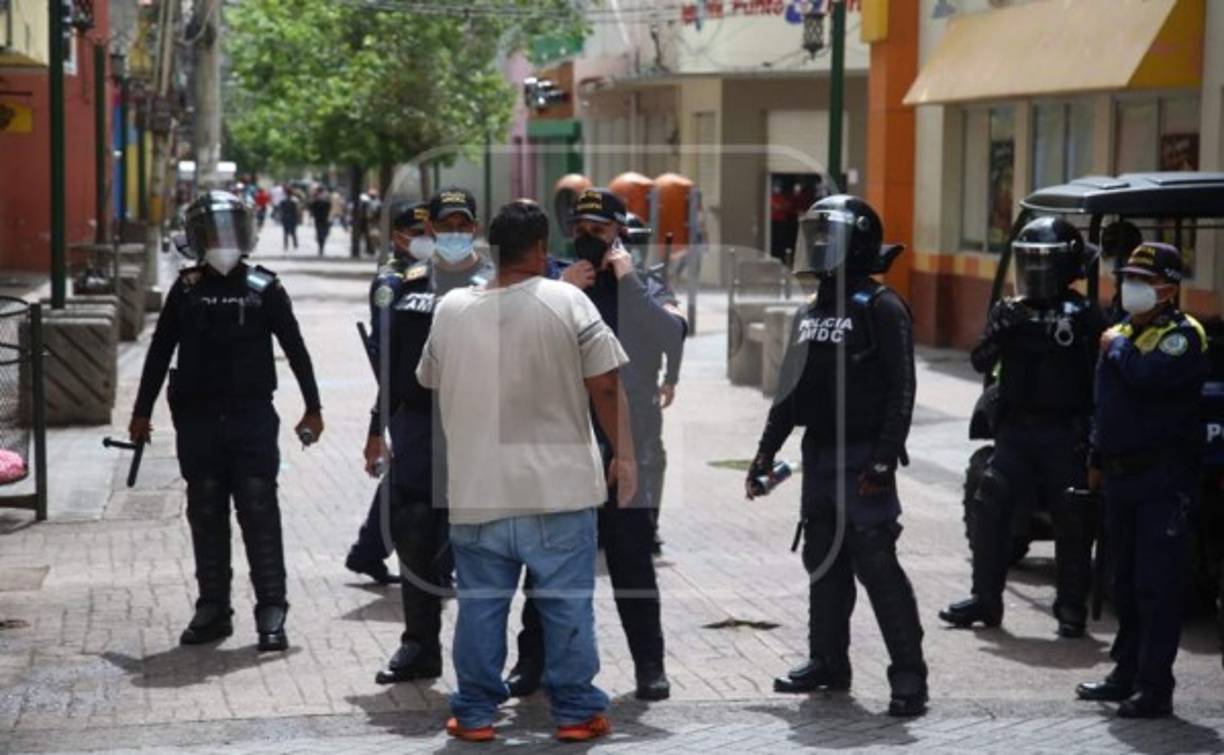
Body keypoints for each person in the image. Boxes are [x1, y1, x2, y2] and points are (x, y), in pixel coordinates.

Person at [418, 200, 633, 743]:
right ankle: (576, 713)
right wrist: (624, 454)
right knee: (565, 611)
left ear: (492, 248)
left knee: (480, 611)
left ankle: (474, 715)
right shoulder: (568, 301)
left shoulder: (449, 310)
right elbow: (605, 385)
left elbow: (430, 379)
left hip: (477, 493)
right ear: (540, 249)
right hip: (558, 493)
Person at [746, 194, 927, 717]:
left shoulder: (883, 307)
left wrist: (884, 459)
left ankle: (909, 675)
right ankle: (828, 661)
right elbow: (788, 392)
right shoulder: (812, 313)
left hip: (864, 456)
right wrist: (764, 452)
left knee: (876, 562)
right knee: (822, 561)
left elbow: (902, 391)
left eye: (831, 238)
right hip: (819, 456)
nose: (820, 247)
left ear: (859, 244)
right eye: (816, 237)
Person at [504, 190, 683, 703]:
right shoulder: (551, 279)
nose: (588, 236)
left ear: (619, 231)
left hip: (630, 440)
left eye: (599, 228)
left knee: (631, 559)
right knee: (547, 559)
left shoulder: (645, 281)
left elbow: (671, 337)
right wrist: (556, 289)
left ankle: (650, 665)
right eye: (581, 226)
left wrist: (627, 282)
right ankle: (530, 662)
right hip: (563, 437)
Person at [128, 191, 324, 651]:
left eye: (232, 230)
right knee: (205, 506)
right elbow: (159, 351)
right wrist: (141, 412)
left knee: (258, 506)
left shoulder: (264, 287)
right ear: (197, 238)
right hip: (197, 420)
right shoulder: (187, 288)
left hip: (251, 416)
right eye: (215, 233)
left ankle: (272, 608)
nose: (225, 241)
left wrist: (313, 407)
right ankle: (213, 606)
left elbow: (296, 350)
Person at [940, 217, 1104, 638]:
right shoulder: (1010, 309)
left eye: (1043, 263)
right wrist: (999, 333)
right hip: (1016, 429)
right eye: (1028, 263)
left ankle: (1070, 607)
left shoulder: (1084, 314)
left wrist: (1092, 434)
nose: (1034, 272)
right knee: (989, 501)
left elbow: (1100, 377)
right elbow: (979, 361)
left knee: (1070, 515)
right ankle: (985, 599)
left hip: (1063, 431)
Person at [364, 189, 496, 685]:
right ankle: (419, 646)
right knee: (414, 535)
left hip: (480, 429)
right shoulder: (407, 286)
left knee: (481, 547)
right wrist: (376, 430)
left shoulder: (496, 285)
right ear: (433, 229)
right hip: (420, 427)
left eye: (465, 221)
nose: (456, 231)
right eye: (447, 223)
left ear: (476, 227)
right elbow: (391, 368)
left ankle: (485, 661)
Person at [1077, 242, 1208, 719]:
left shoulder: (1182, 335)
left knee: (1157, 585)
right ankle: (1125, 674)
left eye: (1143, 280)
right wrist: (1095, 456)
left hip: (1162, 477)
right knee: (1124, 582)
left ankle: (1155, 687)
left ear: (1168, 289)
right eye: (1128, 277)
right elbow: (1104, 405)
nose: (1131, 286)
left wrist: (1120, 348)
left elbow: (1150, 378)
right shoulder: (1119, 332)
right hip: (1120, 477)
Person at [309, 187, 332, 256]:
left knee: (321, 233)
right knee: (322, 234)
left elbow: (311, 209)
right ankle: (321, 247)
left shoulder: (319, 201)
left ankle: (321, 247)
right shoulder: (319, 201)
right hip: (322, 219)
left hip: (321, 219)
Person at [277, 187, 299, 251]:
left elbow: (280, 210)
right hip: (292, 218)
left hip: (286, 218)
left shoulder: (283, 200)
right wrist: (298, 218)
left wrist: (280, 217)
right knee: (293, 232)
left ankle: (286, 245)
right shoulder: (295, 200)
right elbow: (297, 211)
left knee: (286, 232)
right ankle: (295, 244)